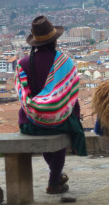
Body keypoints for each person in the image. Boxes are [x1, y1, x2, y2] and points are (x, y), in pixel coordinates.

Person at [15, 15, 87, 196]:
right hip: (58, 122)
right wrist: (73, 117)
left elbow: (22, 96)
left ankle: (56, 176)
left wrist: (37, 112)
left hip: (31, 124)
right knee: (60, 125)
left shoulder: (23, 64)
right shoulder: (64, 62)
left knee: (47, 124)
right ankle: (54, 181)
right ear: (55, 40)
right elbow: (71, 96)